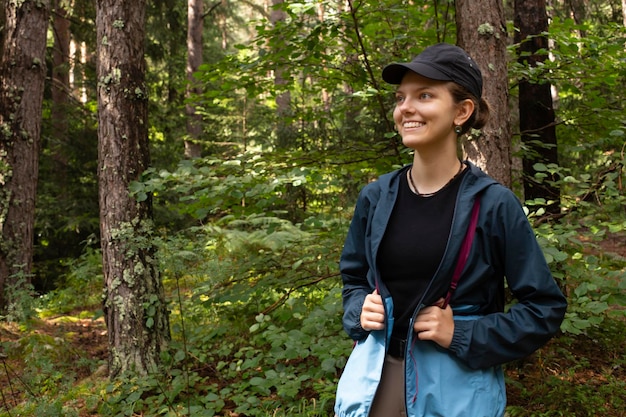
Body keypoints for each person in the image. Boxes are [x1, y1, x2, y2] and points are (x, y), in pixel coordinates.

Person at [334, 43, 567, 417]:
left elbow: (544, 308)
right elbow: (353, 278)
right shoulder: (377, 197)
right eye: (400, 98)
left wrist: (461, 334)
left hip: (455, 395)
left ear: (462, 111)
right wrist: (357, 308)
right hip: (373, 385)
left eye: (424, 95)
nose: (405, 108)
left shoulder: (493, 204)